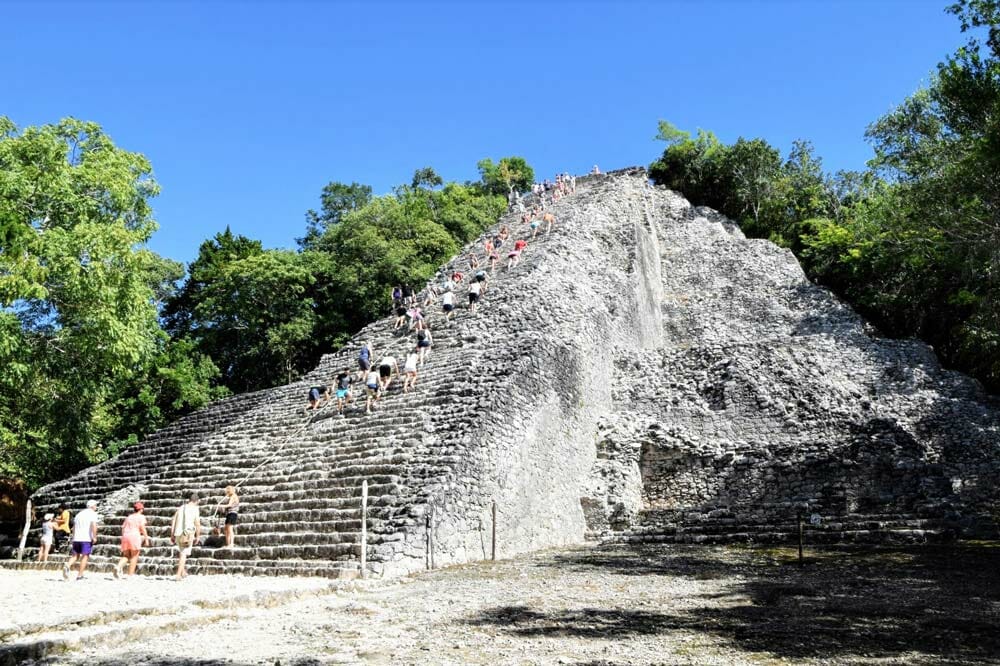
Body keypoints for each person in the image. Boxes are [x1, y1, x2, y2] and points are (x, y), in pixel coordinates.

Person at [62, 499, 99, 581]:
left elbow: (74, 527)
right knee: (85, 556)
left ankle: (68, 565)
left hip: (76, 538)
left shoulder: (79, 514)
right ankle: (80, 575)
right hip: (86, 538)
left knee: (75, 556)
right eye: (95, 505)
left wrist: (73, 537)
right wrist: (94, 536)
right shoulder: (92, 514)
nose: (96, 507)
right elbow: (94, 525)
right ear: (92, 506)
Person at [114, 502, 150, 578]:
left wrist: (124, 536)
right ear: (141, 509)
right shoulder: (141, 517)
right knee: (134, 556)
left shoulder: (129, 517)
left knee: (126, 555)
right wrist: (146, 538)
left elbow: (123, 528)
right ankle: (130, 575)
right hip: (135, 536)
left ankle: (118, 567)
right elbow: (142, 528)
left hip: (125, 536)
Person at [170, 493, 201, 580]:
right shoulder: (195, 509)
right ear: (197, 501)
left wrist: (172, 534)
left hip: (178, 533)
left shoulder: (181, 507)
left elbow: (174, 520)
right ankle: (178, 575)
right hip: (187, 534)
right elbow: (197, 524)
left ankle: (183, 572)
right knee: (183, 554)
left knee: (181, 551)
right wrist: (198, 536)